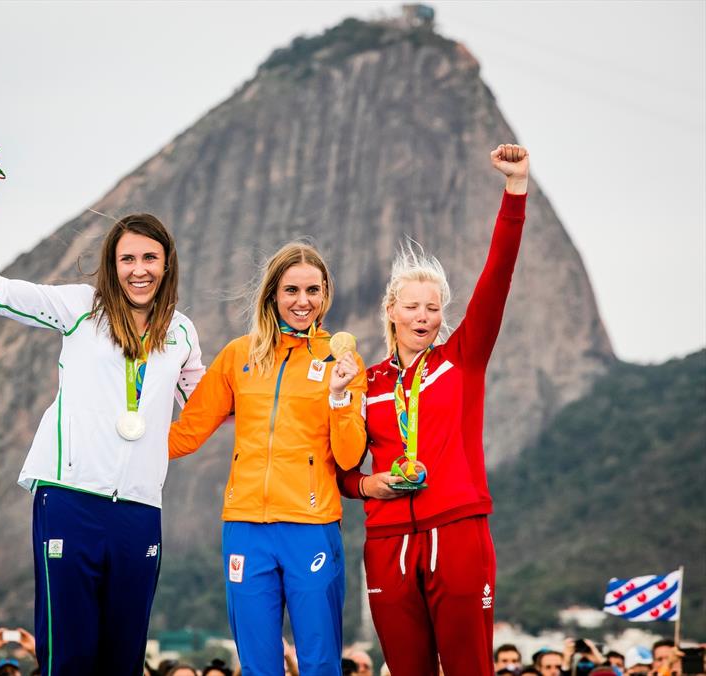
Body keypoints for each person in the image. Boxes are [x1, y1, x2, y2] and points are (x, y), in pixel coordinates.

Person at [0, 139, 205, 675]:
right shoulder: (78, 309)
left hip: (141, 510)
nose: (138, 270)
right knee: (69, 656)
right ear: (112, 264)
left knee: (122, 659)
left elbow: (214, 403)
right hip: (71, 500)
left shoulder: (182, 333)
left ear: (167, 264)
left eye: (149, 258)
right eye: (127, 259)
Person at [337, 144, 530, 676]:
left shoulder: (462, 360)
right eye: (412, 306)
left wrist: (515, 190)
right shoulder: (365, 380)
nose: (423, 316)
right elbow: (338, 464)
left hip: (458, 533)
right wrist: (365, 487)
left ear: (442, 314)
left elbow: (499, 275)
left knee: (470, 667)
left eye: (433, 307)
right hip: (387, 541)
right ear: (391, 311)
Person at [168, 242, 367, 675]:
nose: (303, 301)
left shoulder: (341, 359)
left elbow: (351, 457)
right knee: (259, 665)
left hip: (311, 528)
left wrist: (337, 395)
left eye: (313, 290)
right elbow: (185, 435)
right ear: (273, 294)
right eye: (292, 290)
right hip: (244, 530)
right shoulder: (239, 355)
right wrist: (114, 439)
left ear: (325, 293)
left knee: (319, 663)